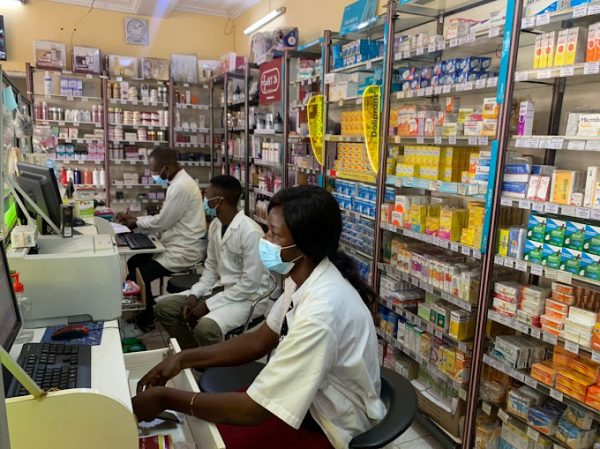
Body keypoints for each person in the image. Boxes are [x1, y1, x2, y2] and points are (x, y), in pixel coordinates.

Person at [132, 185, 386, 449]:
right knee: (208, 431)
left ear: (305, 244)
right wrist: (182, 358)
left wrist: (165, 399)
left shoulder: (321, 311)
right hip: (304, 402)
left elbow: (253, 411)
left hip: (328, 427)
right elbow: (259, 340)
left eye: (274, 234)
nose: (264, 239)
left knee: (211, 440)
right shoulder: (302, 278)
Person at [154, 175, 272, 348]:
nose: (204, 199)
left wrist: (207, 306)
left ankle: (215, 366)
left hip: (247, 298)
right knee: (164, 308)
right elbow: (210, 268)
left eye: (207, 195)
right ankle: (194, 355)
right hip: (219, 289)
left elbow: (249, 284)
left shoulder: (250, 232)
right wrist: (195, 294)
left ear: (219, 200)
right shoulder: (216, 225)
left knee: (205, 328)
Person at [118, 147, 207, 330]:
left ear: (167, 167)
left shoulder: (181, 186)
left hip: (184, 250)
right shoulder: (177, 183)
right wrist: (137, 221)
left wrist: (136, 222)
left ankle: (146, 319)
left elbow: (163, 221)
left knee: (137, 274)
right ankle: (148, 311)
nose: (155, 175)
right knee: (134, 262)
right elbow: (166, 218)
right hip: (174, 244)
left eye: (156, 171)